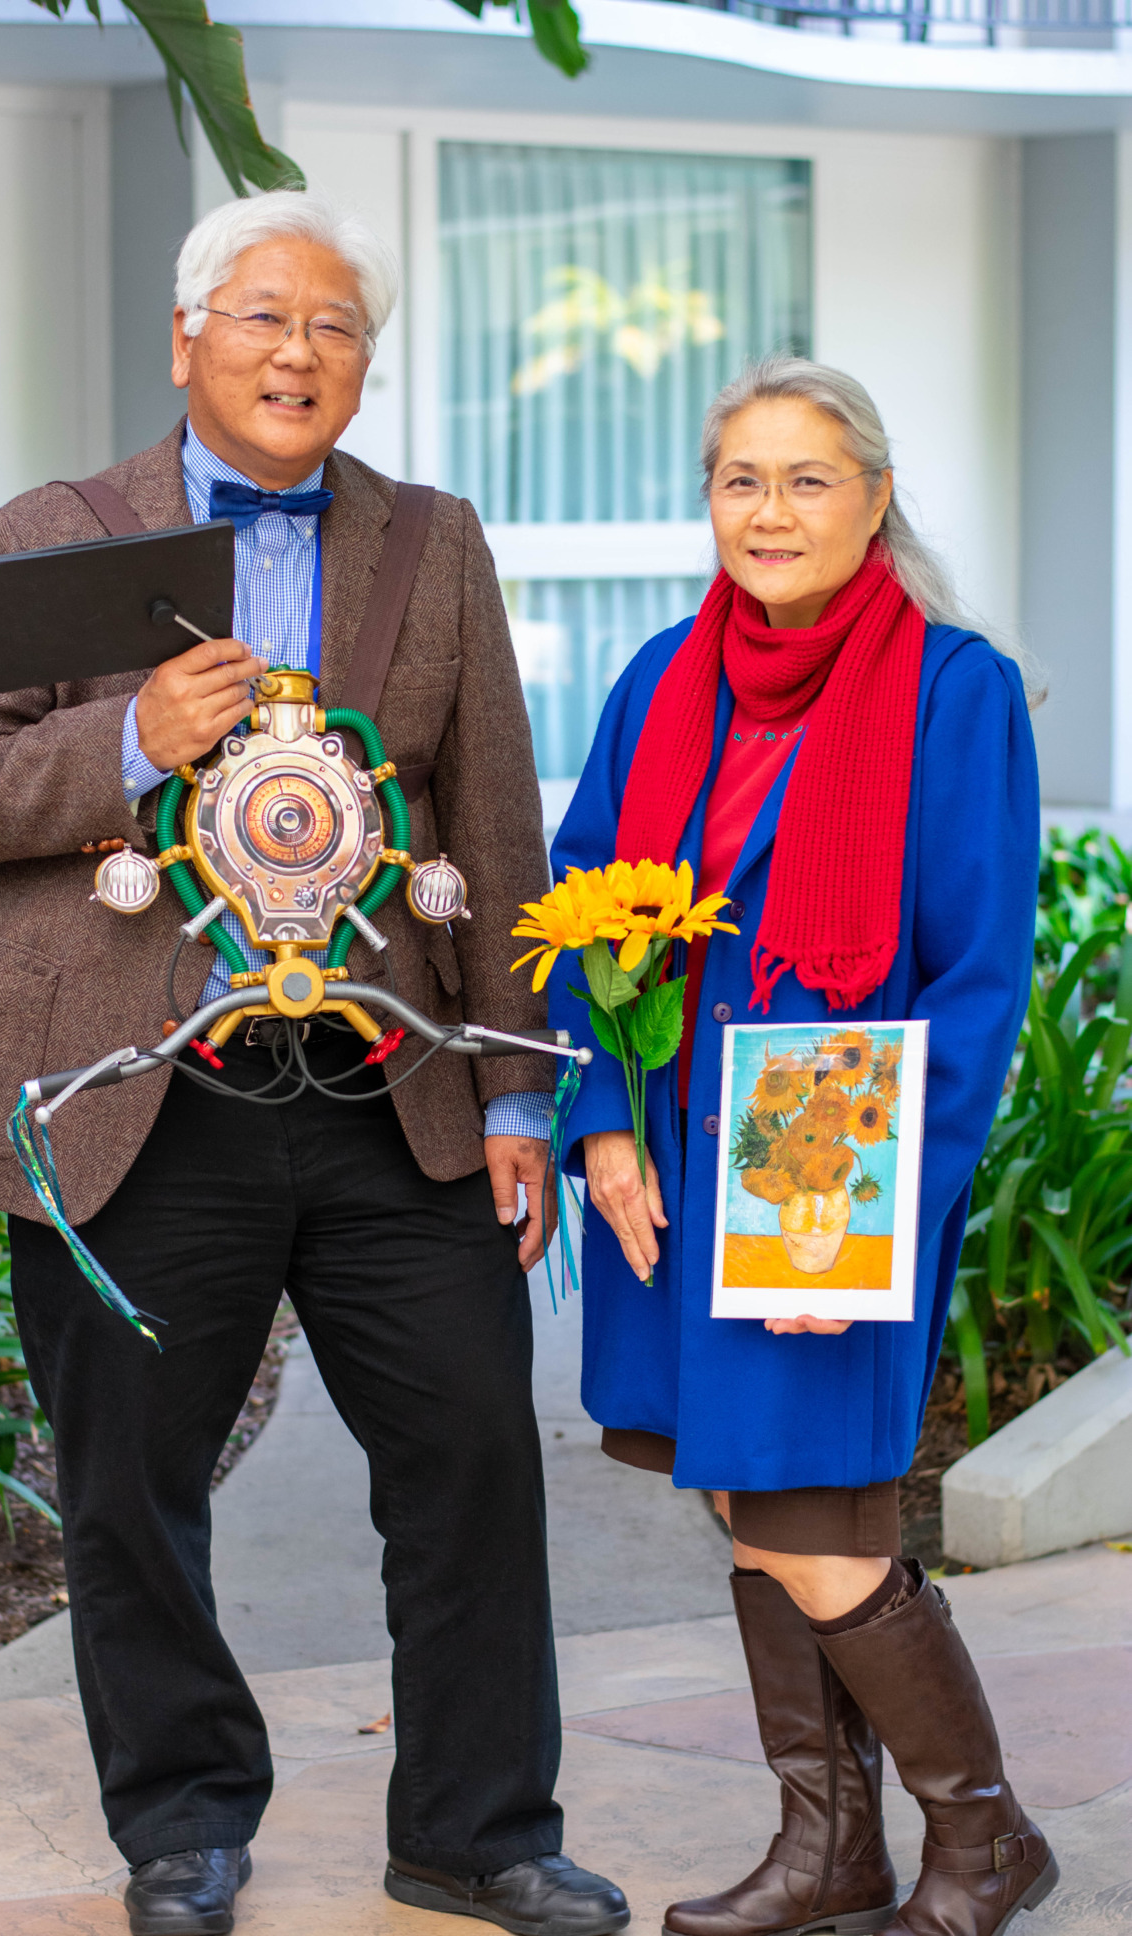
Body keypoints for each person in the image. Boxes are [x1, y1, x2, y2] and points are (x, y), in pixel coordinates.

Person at [0, 189, 629, 1936]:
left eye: (336, 326)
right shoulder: (54, 535)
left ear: (366, 364)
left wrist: (521, 1088)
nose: (299, 352)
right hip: (138, 1094)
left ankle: (476, 1831)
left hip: (393, 1084)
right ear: (186, 340)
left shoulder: (433, 541)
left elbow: (495, 824)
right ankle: (184, 1824)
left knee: (473, 1455)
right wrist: (128, 740)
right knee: (132, 1489)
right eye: (264, 317)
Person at [548, 356, 1053, 1936]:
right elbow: (581, 908)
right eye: (741, 481)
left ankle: (985, 1841)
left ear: (875, 498)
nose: (770, 512)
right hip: (674, 1161)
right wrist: (601, 1120)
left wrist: (868, 1212)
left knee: (810, 1519)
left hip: (825, 1164)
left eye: (808, 479)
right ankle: (830, 1850)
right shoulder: (662, 677)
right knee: (746, 1499)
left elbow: (977, 978)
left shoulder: (955, 691)